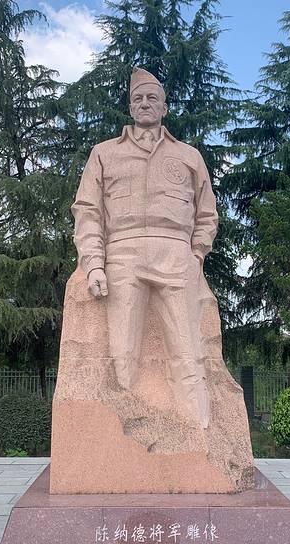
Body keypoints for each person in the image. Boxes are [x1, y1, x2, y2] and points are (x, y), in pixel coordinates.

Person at [71, 67, 218, 429]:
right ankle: (124, 434)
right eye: (138, 98)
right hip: (123, 253)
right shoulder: (104, 153)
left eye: (153, 98)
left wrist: (196, 255)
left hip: (176, 253)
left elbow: (207, 214)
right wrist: (94, 264)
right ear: (130, 107)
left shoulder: (189, 156)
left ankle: (197, 435)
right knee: (122, 353)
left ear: (164, 107)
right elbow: (88, 211)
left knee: (187, 350)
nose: (145, 103)